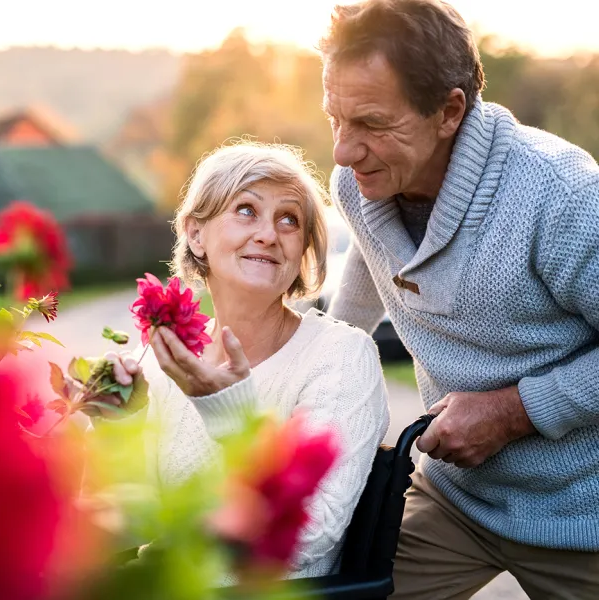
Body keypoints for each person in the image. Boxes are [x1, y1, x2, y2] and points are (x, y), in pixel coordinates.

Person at [320, 0, 599, 597]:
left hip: (586, 514)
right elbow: (370, 268)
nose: (343, 150)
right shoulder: (361, 181)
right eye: (335, 119)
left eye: (371, 123)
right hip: (456, 500)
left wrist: (511, 411)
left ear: (449, 111)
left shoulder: (564, 196)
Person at [105, 141, 389, 579]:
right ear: (196, 235)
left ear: (302, 253)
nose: (269, 234)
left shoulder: (341, 357)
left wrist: (232, 416)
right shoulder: (168, 357)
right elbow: (131, 513)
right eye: (246, 210)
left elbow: (308, 533)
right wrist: (117, 422)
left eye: (289, 220)